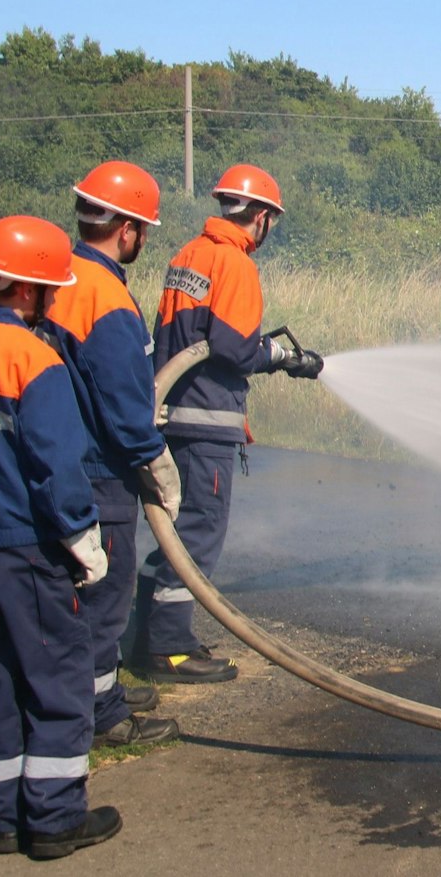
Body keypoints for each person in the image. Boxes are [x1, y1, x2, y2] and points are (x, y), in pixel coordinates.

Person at [0, 216, 123, 857]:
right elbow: (55, 467)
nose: (56, 300)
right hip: (31, 546)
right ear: (28, 288)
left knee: (0, 672)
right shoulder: (34, 360)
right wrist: (82, 537)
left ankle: (9, 819)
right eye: (52, 289)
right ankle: (55, 819)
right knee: (59, 674)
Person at [134, 164, 323, 682]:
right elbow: (234, 349)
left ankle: (145, 637)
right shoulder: (234, 263)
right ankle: (169, 649)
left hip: (171, 415)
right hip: (206, 420)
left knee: (173, 534)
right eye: (271, 220)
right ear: (260, 216)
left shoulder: (187, 256)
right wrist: (280, 356)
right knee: (197, 534)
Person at [42, 161, 184, 746]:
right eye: (143, 228)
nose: (143, 238)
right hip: (100, 469)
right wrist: (155, 459)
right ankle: (102, 715)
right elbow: (122, 400)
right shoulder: (104, 296)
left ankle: (103, 689)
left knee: (80, 589)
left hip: (62, 459)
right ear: (127, 230)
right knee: (105, 592)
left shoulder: (58, 279)